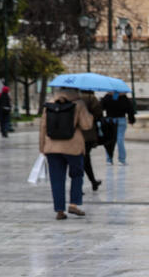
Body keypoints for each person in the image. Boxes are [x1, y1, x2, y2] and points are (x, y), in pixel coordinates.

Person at [39, 88, 94, 220]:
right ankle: (73, 204)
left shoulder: (49, 104)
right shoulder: (79, 104)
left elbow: (43, 127)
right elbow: (86, 126)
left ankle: (59, 210)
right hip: (73, 147)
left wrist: (42, 147)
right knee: (76, 175)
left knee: (56, 179)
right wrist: (89, 114)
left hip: (52, 147)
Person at [101, 91, 135, 165]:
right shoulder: (124, 97)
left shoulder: (107, 96)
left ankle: (109, 159)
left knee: (109, 140)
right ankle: (121, 160)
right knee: (120, 140)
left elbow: (101, 107)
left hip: (109, 120)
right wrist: (131, 120)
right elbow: (130, 109)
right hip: (121, 120)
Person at [80, 90, 103, 191]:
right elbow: (99, 114)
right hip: (88, 133)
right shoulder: (91, 98)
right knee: (85, 158)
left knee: (79, 159)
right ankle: (92, 181)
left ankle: (90, 182)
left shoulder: (73, 98)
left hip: (74, 133)